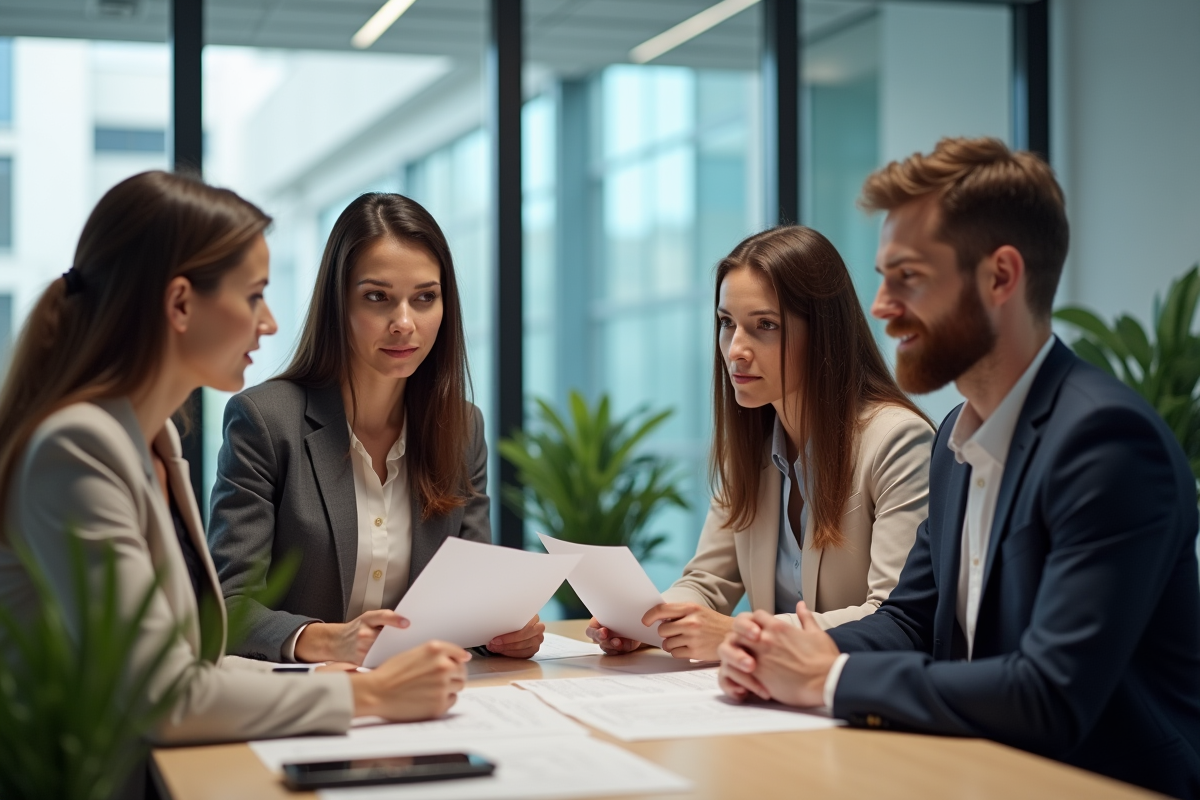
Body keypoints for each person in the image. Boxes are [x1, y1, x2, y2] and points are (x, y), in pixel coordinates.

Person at [717, 138, 1200, 798]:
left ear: (1000, 277)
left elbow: (1049, 693)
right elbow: (910, 620)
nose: (881, 306)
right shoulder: (954, 439)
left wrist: (829, 679)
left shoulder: (1106, 442)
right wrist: (786, 648)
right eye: (884, 276)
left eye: (908, 277)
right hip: (977, 773)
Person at [0, 172, 470, 746]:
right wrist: (369, 695)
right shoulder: (79, 448)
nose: (269, 322)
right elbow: (160, 694)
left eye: (425, 297)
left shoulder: (153, 440)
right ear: (180, 304)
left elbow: (193, 660)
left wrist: (330, 678)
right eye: (253, 296)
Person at [208, 193, 543, 665]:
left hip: (423, 693)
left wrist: (501, 631)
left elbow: (470, 596)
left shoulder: (462, 428)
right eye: (377, 297)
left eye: (424, 298)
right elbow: (228, 605)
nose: (404, 323)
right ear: (338, 303)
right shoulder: (265, 421)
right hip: (308, 696)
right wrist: (327, 640)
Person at [588, 226, 934, 661]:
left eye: (765, 325)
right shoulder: (751, 446)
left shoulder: (898, 442)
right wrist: (648, 622)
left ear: (824, 333)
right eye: (727, 323)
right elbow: (707, 582)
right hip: (773, 689)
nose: (735, 349)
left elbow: (892, 619)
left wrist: (740, 633)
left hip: (856, 687)